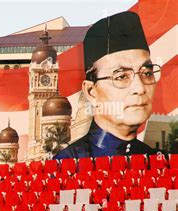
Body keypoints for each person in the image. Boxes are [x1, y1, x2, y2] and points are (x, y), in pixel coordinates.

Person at [54, 11, 162, 159]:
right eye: (121, 76)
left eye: (147, 73)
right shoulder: (67, 165)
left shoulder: (158, 162)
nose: (140, 88)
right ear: (91, 92)